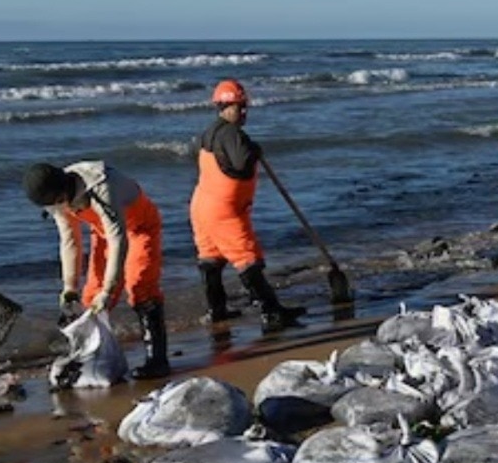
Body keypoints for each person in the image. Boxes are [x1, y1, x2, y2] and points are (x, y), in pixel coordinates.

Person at [23, 161, 170, 379]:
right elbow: (69, 239)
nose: (59, 208)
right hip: (103, 232)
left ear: (64, 190)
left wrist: (109, 289)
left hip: (139, 227)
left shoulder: (101, 188)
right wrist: (69, 287)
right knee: (92, 298)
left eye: (58, 202)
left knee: (140, 286)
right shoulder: (56, 198)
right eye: (52, 205)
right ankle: (93, 361)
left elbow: (118, 239)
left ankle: (157, 360)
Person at [189, 79, 306, 328]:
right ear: (223, 106)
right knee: (247, 259)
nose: (243, 112)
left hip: (201, 207)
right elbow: (242, 162)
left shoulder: (208, 133)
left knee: (210, 260)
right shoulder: (232, 134)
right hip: (224, 211)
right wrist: (254, 150)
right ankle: (271, 312)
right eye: (237, 107)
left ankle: (217, 311)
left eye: (244, 106)